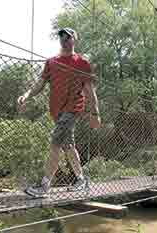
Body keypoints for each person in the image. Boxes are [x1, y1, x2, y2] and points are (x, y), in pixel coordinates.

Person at [17, 28, 101, 198]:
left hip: (72, 109)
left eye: (68, 36)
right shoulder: (51, 62)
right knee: (68, 146)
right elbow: (40, 83)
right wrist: (26, 95)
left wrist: (95, 114)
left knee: (55, 143)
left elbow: (90, 91)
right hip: (56, 112)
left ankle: (44, 185)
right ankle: (81, 180)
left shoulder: (82, 62)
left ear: (74, 39)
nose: (64, 39)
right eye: (61, 36)